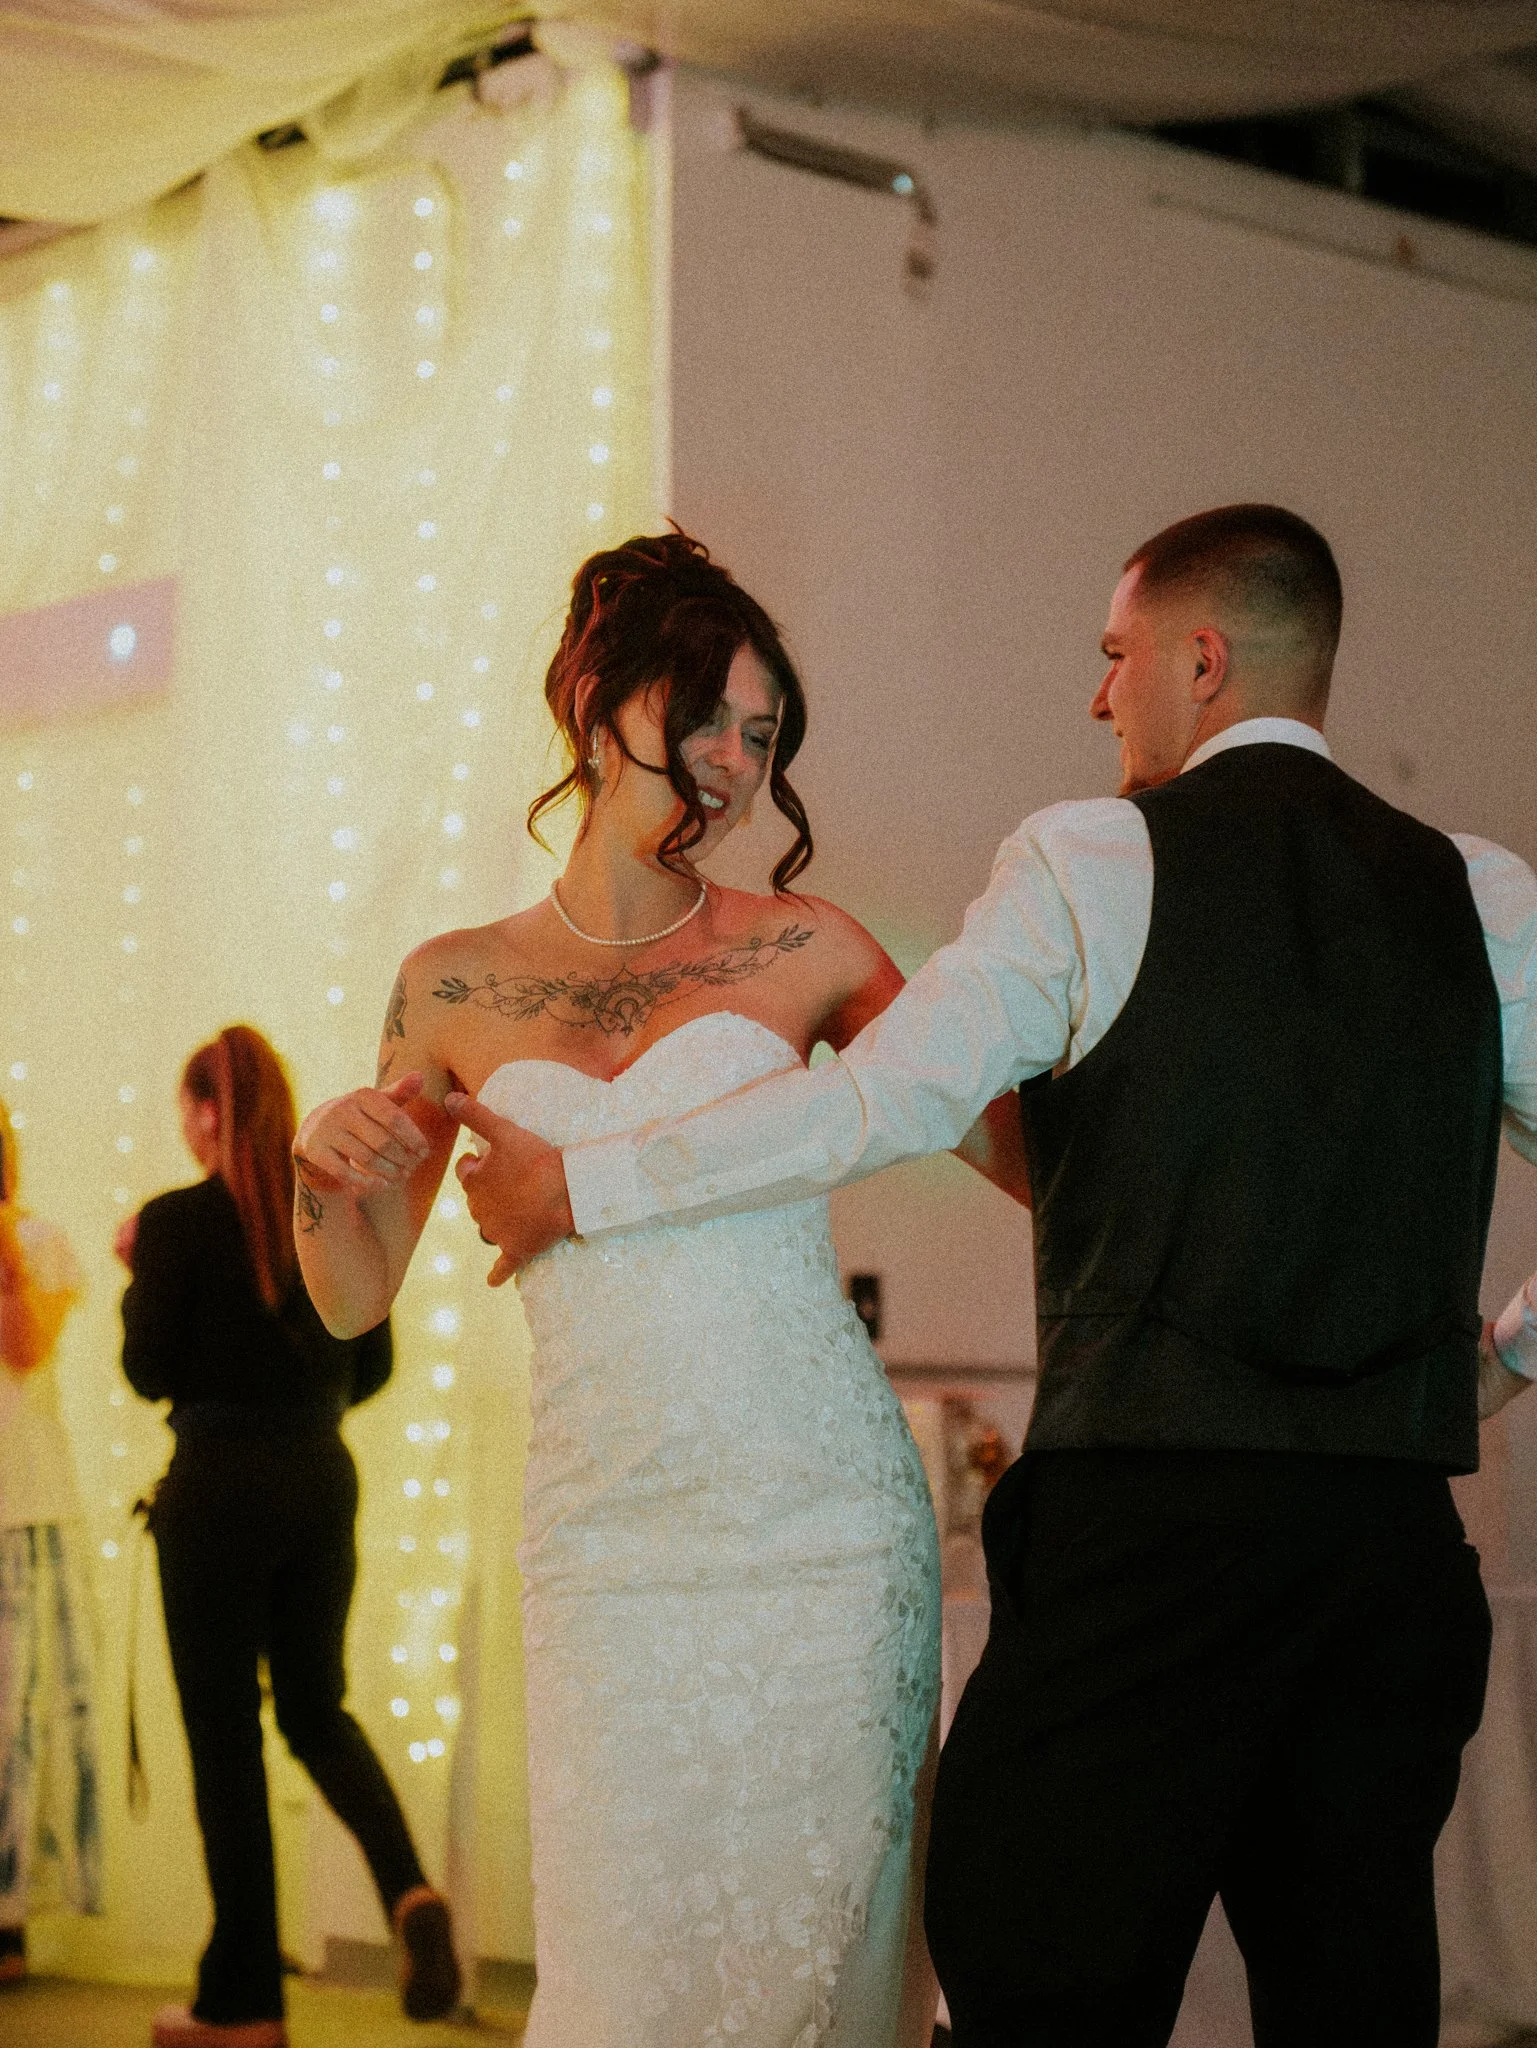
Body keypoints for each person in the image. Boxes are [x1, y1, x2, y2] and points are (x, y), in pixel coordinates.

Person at [455, 505, 1537, 2048]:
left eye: (1114, 657)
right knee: (1352, 1998)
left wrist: (586, 1185)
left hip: (1145, 1546)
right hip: (1388, 1558)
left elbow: (875, 1103)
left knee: (1031, 1976)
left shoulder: (1089, 857)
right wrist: (1495, 1363)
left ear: (1201, 660)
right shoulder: (1478, 891)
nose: (1100, 697)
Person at [291, 530, 1030, 2048]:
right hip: (609, 1552)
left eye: (763, 736)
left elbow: (1023, 1155)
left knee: (823, 1972)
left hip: (824, 1536)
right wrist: (322, 1169)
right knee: (624, 1980)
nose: (734, 765)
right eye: (704, 716)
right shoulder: (450, 983)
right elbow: (352, 1297)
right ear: (593, 699)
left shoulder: (809, 946)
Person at [119, 1026, 459, 2048]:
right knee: (317, 1710)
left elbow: (147, 1369)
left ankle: (243, 2004)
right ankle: (407, 1888)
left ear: (206, 1112)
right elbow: (374, 1366)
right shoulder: (334, 1209)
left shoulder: (174, 1222)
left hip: (215, 1487)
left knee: (226, 1743)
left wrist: (138, 1270)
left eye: (188, 1112)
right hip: (319, 1477)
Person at [0, 1102, 100, 1986]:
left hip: (19, 1507)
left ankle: (7, 1918)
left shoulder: (37, 1243)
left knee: (12, 1722)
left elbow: (28, 1346)